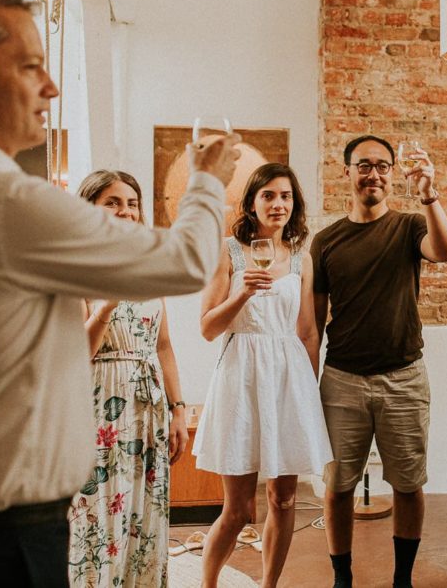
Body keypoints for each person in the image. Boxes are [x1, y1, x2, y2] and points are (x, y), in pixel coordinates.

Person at [0, 0, 237, 588]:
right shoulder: (2, 199)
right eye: (30, 66)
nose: (51, 86)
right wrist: (204, 181)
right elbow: (184, 263)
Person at [310, 135, 447, 588]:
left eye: (382, 166)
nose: (373, 173)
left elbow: (446, 251)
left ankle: (402, 580)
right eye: (363, 165)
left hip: (404, 378)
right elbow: (313, 326)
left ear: (393, 174)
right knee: (338, 486)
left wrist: (430, 193)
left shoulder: (411, 226)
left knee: (408, 483)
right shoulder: (325, 242)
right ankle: (342, 577)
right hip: (341, 379)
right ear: (347, 172)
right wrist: (304, 385)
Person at [195, 163, 332, 588]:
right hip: (242, 376)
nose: (278, 204)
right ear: (252, 203)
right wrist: (242, 294)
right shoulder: (228, 251)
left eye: (286, 196)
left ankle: (270, 585)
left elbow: (309, 331)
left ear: (295, 205)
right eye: (269, 195)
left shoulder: (302, 259)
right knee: (238, 510)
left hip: (289, 381)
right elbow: (207, 328)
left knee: (284, 498)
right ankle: (207, 584)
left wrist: (305, 393)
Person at [67, 170, 189, 587]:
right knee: (99, 511)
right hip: (100, 408)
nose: (126, 211)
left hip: (148, 410)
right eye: (112, 202)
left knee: (144, 514)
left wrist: (178, 410)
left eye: (132, 203)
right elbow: (75, 354)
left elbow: (164, 346)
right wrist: (104, 307)